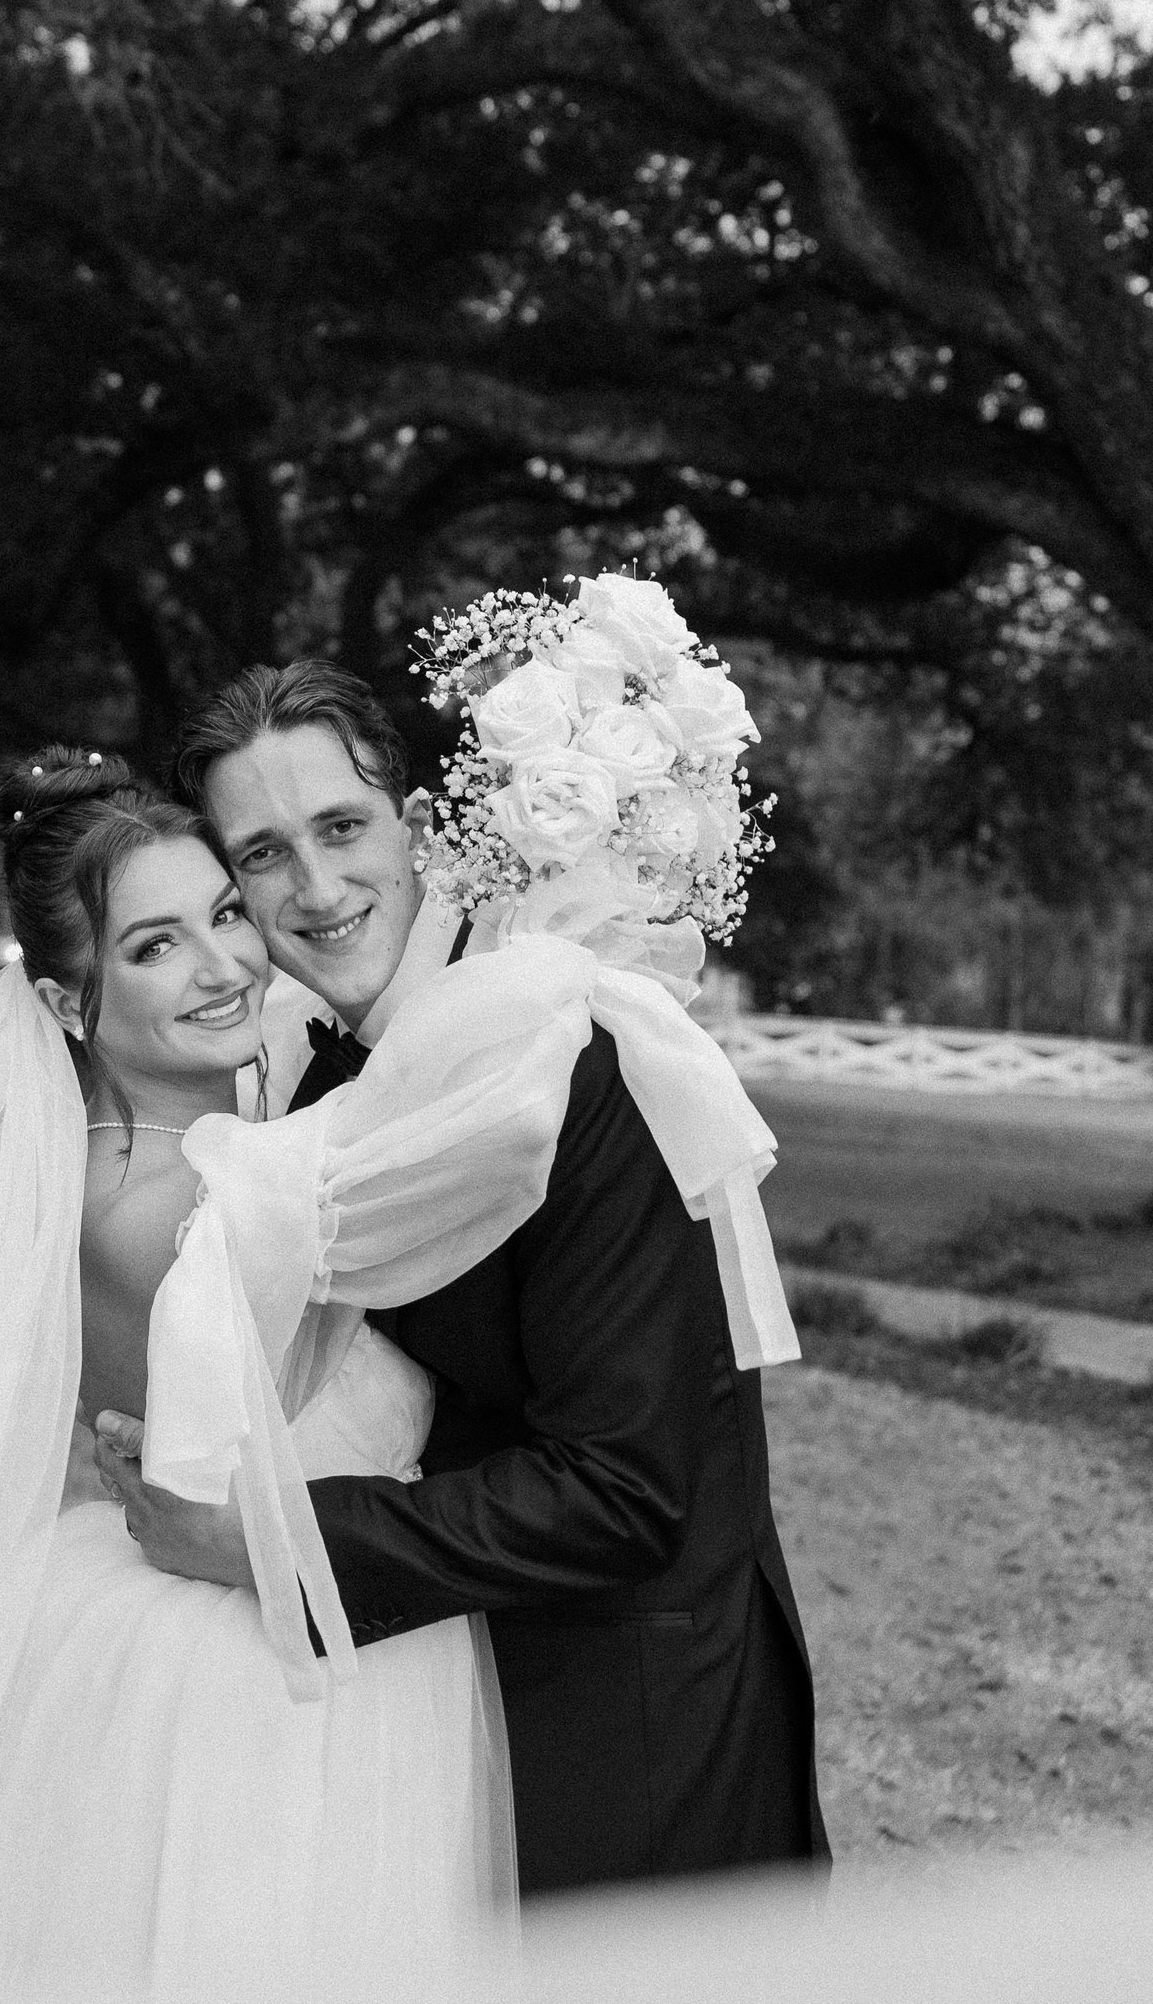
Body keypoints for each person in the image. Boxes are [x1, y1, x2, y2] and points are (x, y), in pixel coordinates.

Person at [99, 656, 827, 1896]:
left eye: (341, 828)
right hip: (456, 1695)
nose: (315, 888)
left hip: (638, 1732)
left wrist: (270, 1541)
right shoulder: (325, 1075)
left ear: (421, 827)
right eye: (264, 854)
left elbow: (625, 1491)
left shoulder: (571, 1063)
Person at [0, 753, 513, 2004]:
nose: (223, 967)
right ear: (64, 998)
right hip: (255, 1664)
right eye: (154, 947)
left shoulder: (176, 1146)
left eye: (222, 914)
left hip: (277, 1602)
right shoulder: (170, 1203)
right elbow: (457, 1157)